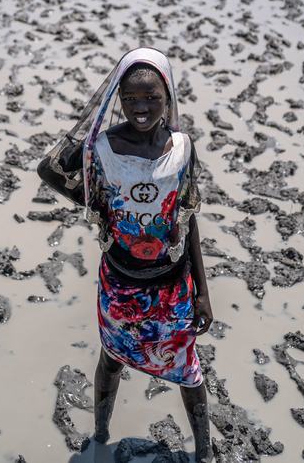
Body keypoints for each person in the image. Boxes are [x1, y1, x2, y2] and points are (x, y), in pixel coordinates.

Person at [37, 47, 213, 461]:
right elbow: (49, 169)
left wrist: (203, 292)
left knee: (188, 371)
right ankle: (100, 434)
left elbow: (187, 221)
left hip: (172, 285)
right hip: (120, 284)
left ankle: (205, 452)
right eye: (130, 99)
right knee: (111, 361)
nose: (141, 108)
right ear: (118, 100)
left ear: (167, 98)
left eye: (151, 97)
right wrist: (94, 202)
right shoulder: (102, 147)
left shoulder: (182, 148)